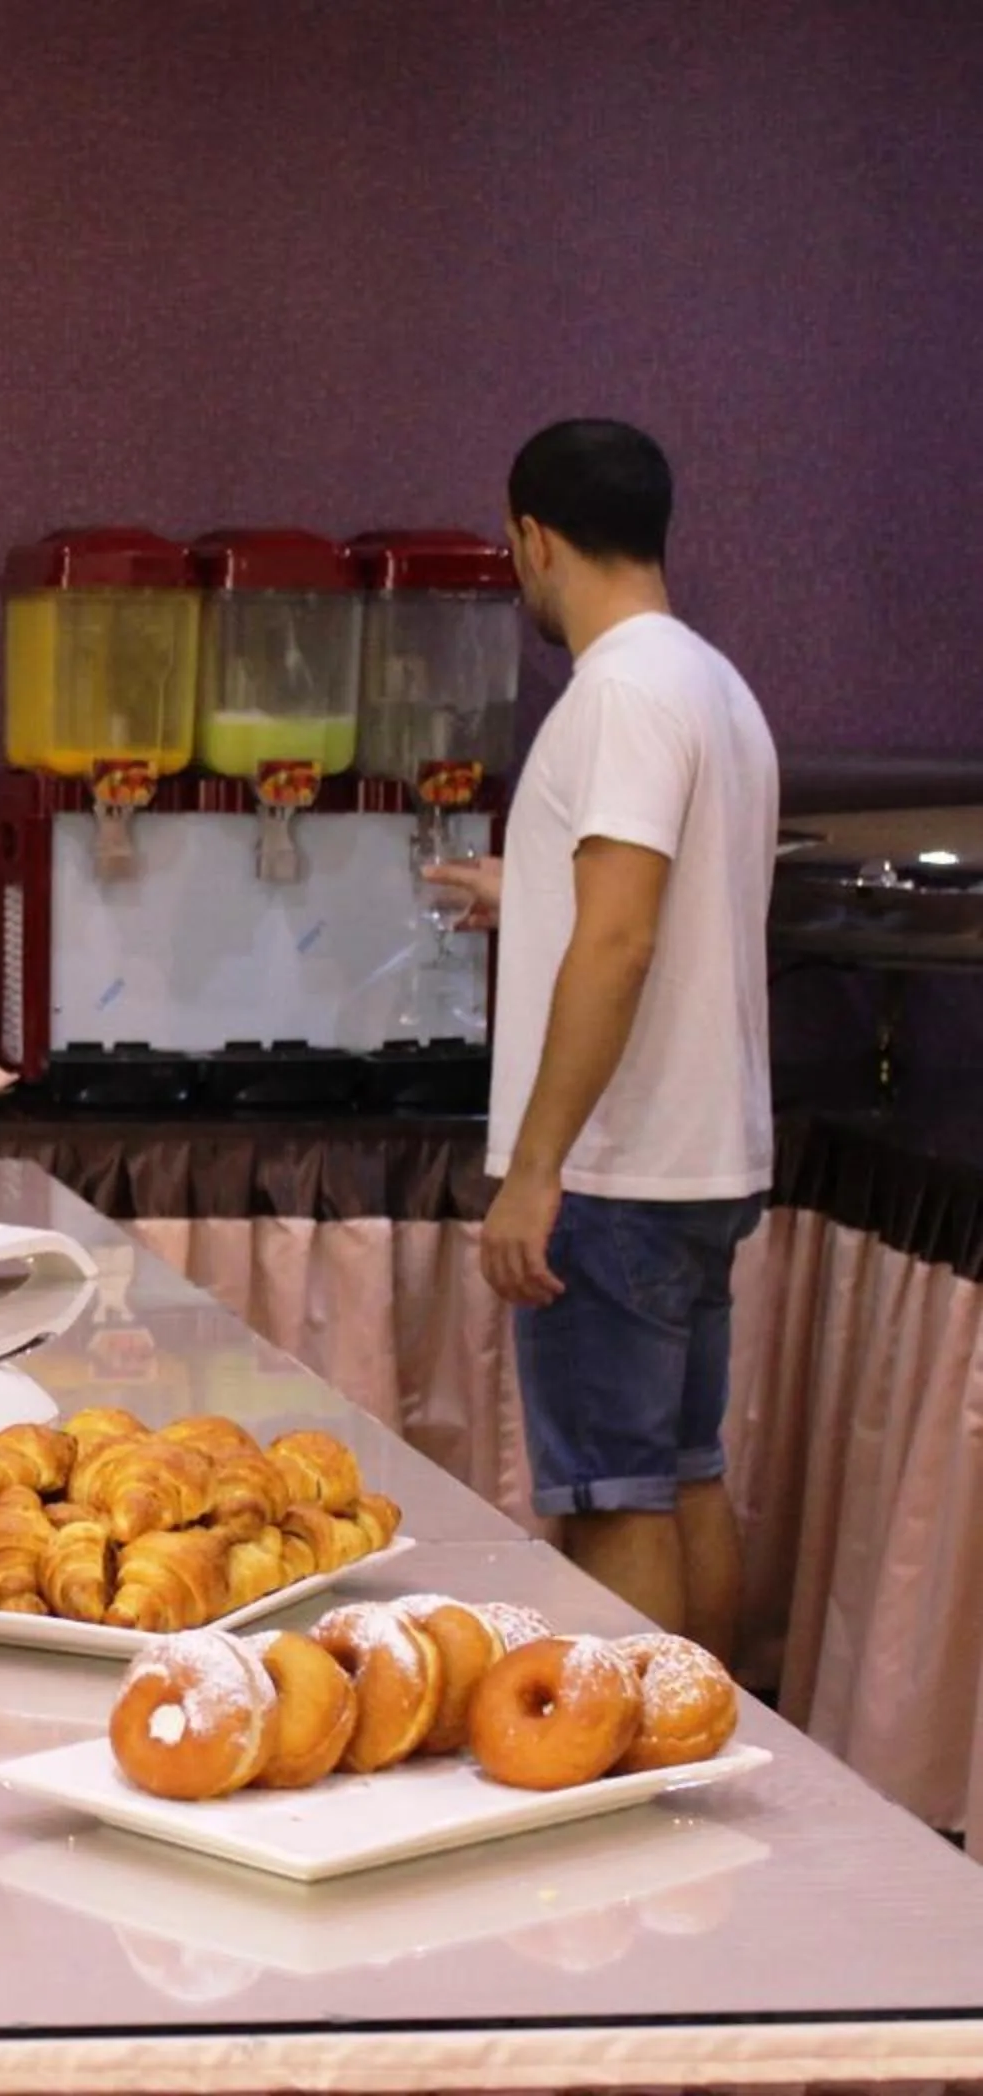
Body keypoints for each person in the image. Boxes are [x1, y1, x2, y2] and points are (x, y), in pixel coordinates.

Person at [426, 419, 779, 1664]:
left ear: (535, 538)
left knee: (613, 1496)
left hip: (614, 1175)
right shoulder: (714, 687)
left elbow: (620, 941)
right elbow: (649, 908)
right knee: (686, 1472)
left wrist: (535, 1169)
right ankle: (724, 1746)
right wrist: (516, 887)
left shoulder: (617, 696)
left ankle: (648, 1779)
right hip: (706, 1161)